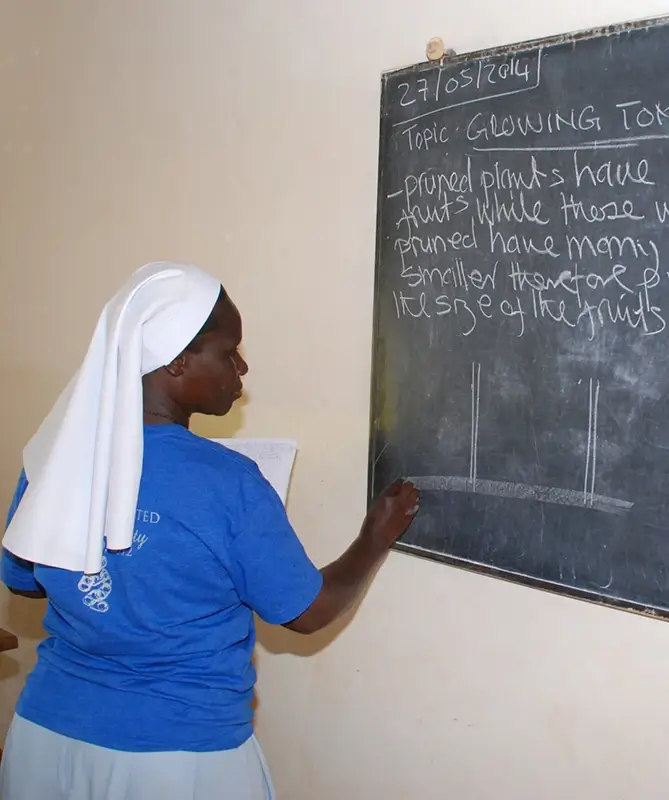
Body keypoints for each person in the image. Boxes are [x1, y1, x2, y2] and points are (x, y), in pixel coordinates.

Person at [0, 261, 419, 800]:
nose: (241, 369)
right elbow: (309, 612)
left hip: (46, 741)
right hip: (176, 758)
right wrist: (374, 538)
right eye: (228, 352)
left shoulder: (52, 456)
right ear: (176, 363)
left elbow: (24, 580)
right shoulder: (228, 485)